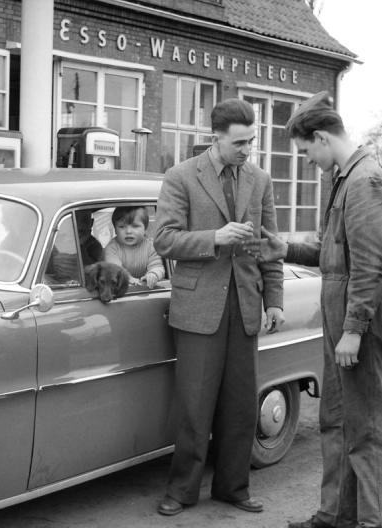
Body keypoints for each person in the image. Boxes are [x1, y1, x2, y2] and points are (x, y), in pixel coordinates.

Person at [255, 91, 382, 528]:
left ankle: (379, 522)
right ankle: (336, 516)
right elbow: (333, 253)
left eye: (305, 151)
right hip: (345, 316)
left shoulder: (365, 182)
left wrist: (354, 329)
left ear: (320, 137)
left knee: (371, 429)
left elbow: (371, 266)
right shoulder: (346, 178)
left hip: (364, 317)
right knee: (338, 421)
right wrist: (284, 248)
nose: (306, 161)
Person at [153, 98, 285, 516]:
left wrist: (275, 300)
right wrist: (215, 237)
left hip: (245, 305)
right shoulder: (180, 177)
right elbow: (165, 240)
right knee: (195, 406)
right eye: (240, 142)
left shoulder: (259, 180)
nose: (248, 150)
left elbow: (271, 246)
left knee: (242, 406)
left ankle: (233, 488)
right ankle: (181, 491)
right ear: (216, 138)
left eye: (252, 141)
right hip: (198, 308)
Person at [104, 206, 165, 288]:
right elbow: (115, 269)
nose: (128, 231)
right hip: (120, 290)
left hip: (145, 289)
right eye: (122, 227)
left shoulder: (151, 246)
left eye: (135, 226)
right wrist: (129, 278)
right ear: (115, 229)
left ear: (145, 228)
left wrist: (153, 274)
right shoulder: (112, 248)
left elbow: (157, 266)